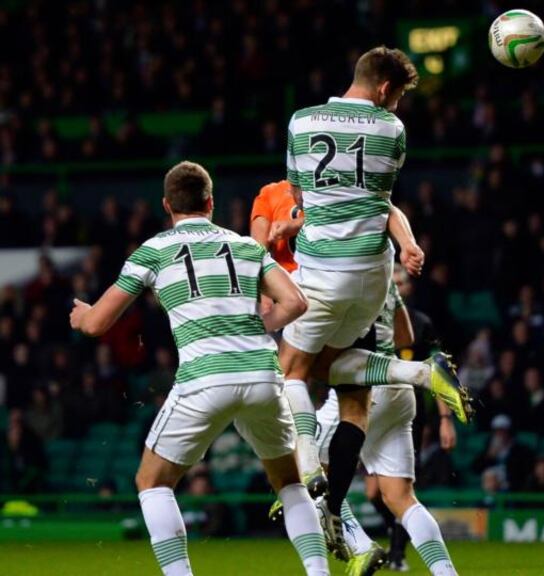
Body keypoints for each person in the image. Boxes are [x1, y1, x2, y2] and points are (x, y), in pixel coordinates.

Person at [68, 161, 330, 576]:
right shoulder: (245, 246)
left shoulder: (154, 250)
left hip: (205, 379)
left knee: (151, 482)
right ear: (211, 202)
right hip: (262, 376)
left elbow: (99, 323)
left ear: (166, 205)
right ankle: (319, 572)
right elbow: (296, 302)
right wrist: (260, 324)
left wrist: (81, 316)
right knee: (291, 483)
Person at [275, 45, 471, 545]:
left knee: (291, 370)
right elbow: (379, 203)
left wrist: (295, 220)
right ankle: (423, 371)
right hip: (374, 278)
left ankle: (306, 467)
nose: (397, 105)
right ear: (385, 88)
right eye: (400, 95)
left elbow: (302, 199)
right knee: (329, 367)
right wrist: (407, 243)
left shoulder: (301, 122)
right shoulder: (392, 131)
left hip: (323, 272)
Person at [314, 273, 459, 576]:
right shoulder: (384, 279)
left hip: (361, 386)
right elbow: (405, 338)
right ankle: (447, 573)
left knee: (304, 475)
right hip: (399, 387)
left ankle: (361, 546)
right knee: (400, 497)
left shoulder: (330, 273)